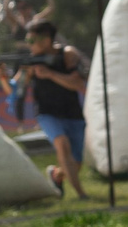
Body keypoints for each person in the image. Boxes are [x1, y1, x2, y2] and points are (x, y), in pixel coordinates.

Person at [13, 22, 91, 197]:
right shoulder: (31, 60)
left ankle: (56, 175)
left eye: (33, 40)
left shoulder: (68, 55)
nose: (30, 44)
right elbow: (17, 88)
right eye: (28, 40)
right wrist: (6, 74)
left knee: (76, 162)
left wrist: (50, 74)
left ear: (46, 40)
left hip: (72, 113)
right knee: (62, 144)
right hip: (46, 112)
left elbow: (78, 84)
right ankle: (81, 194)